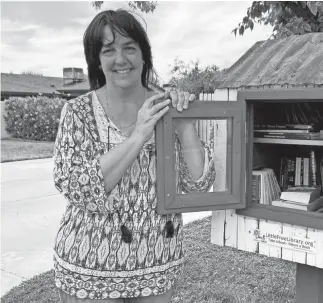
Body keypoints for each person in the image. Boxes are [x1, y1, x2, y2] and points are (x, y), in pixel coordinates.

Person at [52, 9, 215, 303]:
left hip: (157, 260)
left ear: (144, 55)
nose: (120, 59)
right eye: (108, 50)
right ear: (97, 60)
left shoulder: (167, 106)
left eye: (129, 47)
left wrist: (185, 125)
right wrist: (139, 134)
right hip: (89, 265)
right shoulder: (78, 113)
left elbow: (198, 187)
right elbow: (78, 186)